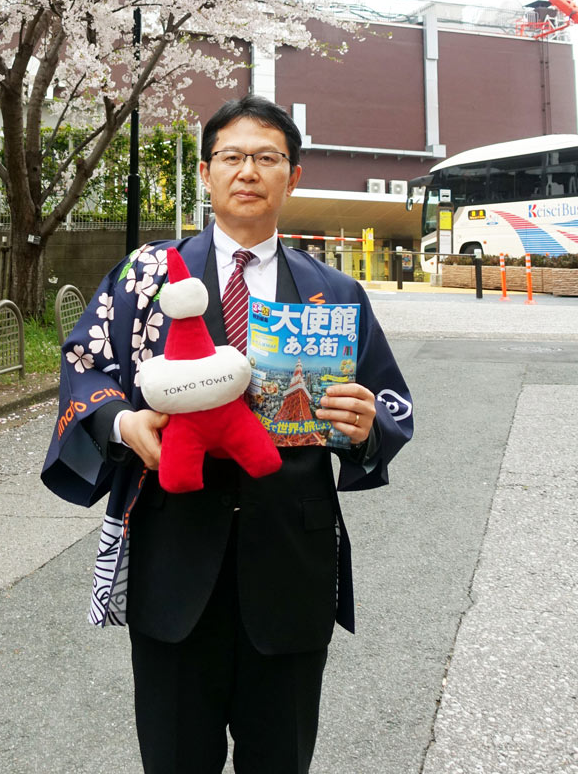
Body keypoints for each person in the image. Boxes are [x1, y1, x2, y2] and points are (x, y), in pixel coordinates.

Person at [41, 95, 413, 774]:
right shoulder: (144, 277)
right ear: (207, 173)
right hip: (172, 548)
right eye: (233, 157)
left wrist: (363, 430)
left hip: (292, 558)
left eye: (266, 158)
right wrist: (123, 423)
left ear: (291, 176)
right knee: (175, 757)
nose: (248, 171)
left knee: (280, 757)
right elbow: (84, 368)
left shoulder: (334, 294)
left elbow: (388, 401)